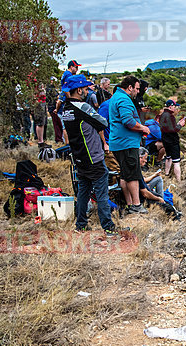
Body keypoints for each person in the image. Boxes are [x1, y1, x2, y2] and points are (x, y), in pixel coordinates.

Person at [60, 74, 117, 235]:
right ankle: (108, 226)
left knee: (84, 190)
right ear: (78, 90)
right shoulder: (82, 107)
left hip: (79, 156)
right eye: (85, 89)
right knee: (101, 191)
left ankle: (81, 224)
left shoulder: (66, 109)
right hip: (92, 156)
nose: (87, 91)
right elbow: (103, 122)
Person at [108, 75, 150, 214]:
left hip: (119, 143)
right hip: (126, 144)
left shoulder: (116, 97)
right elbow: (128, 121)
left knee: (125, 175)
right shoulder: (123, 99)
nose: (138, 92)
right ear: (130, 87)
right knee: (133, 175)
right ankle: (136, 205)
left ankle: (130, 204)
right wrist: (143, 128)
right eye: (137, 89)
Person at [159, 99, 186, 181]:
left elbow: (169, 128)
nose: (175, 108)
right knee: (176, 162)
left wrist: (177, 124)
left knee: (168, 157)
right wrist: (180, 125)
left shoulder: (162, 115)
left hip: (165, 140)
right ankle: (179, 180)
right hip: (173, 141)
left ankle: (166, 174)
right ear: (170, 107)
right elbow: (174, 130)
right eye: (174, 106)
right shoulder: (170, 116)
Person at [46, 77, 63, 144]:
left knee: (57, 124)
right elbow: (56, 98)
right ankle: (59, 139)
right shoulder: (51, 89)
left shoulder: (49, 89)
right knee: (57, 124)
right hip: (53, 108)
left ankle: (59, 138)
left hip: (52, 107)